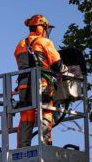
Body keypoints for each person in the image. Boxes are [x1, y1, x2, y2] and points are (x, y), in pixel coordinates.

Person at [13, 14, 70, 147]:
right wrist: (67, 72)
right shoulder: (44, 42)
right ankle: (45, 144)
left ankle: (23, 148)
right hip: (42, 84)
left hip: (23, 86)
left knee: (26, 116)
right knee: (46, 112)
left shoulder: (20, 45)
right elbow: (57, 65)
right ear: (41, 28)